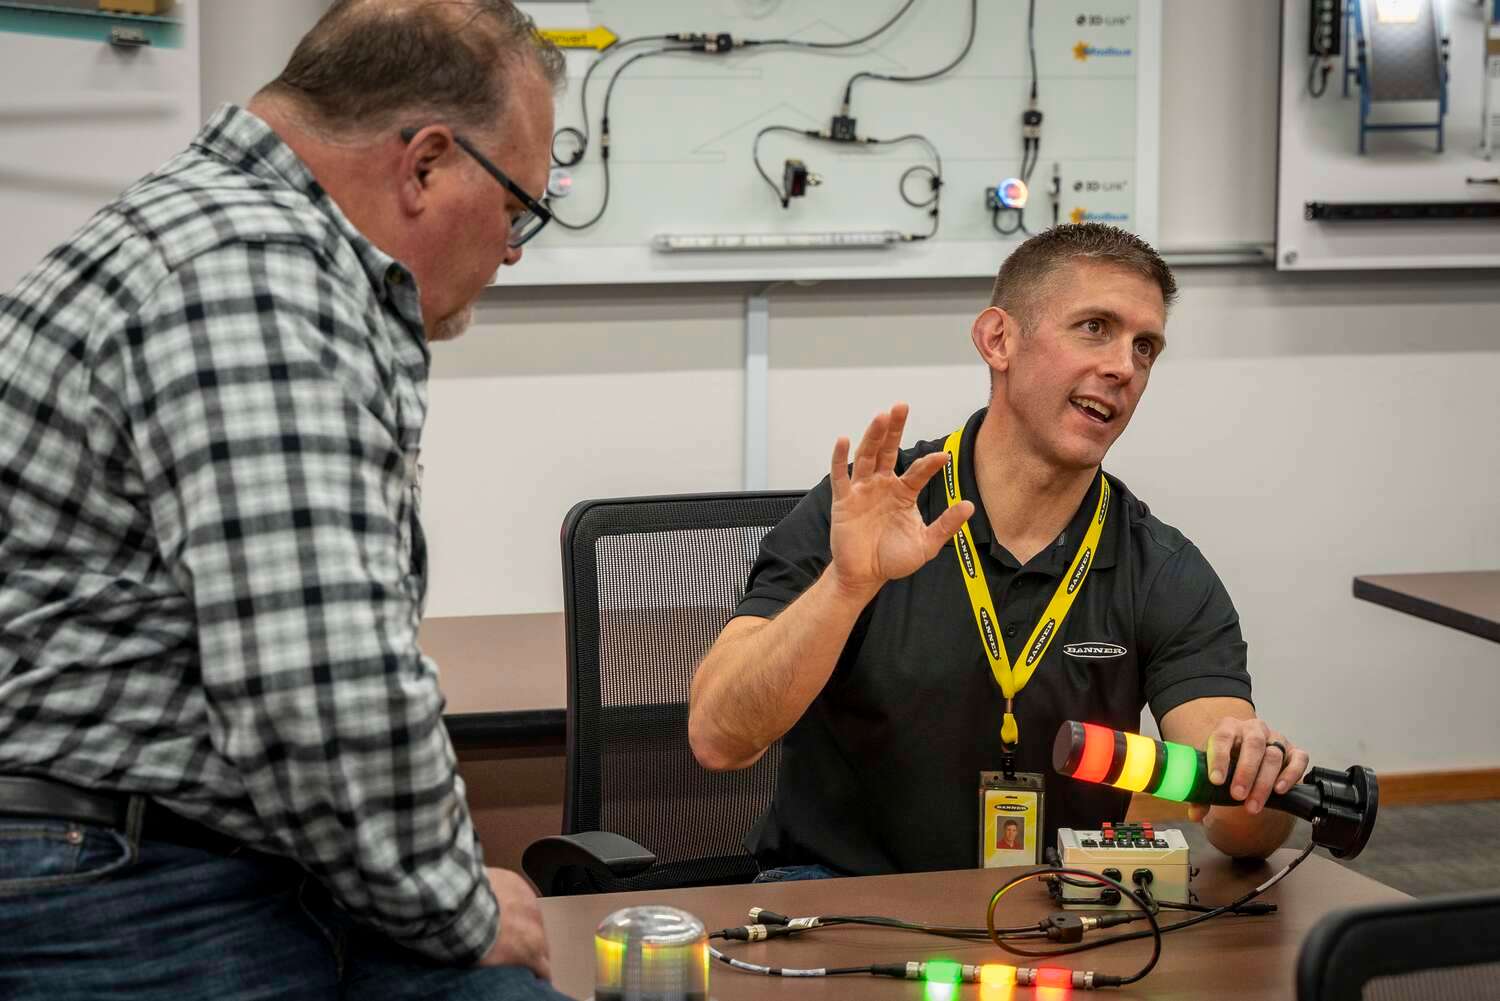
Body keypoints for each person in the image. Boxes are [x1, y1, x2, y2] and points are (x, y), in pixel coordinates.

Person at [0, 2, 570, 998]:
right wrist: (464, 906)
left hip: (123, 851)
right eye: (518, 209)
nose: (512, 251)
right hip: (123, 884)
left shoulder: (189, 232)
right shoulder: (250, 275)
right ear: (426, 163)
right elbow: (318, 693)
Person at [689, 224, 1312, 880]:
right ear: (998, 339)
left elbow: (1245, 829)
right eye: (1095, 327)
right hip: (843, 904)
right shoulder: (869, 509)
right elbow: (718, 736)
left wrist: (1255, 777)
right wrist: (845, 587)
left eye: (1145, 346)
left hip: (1054, 915)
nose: (1124, 367)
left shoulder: (1160, 568)